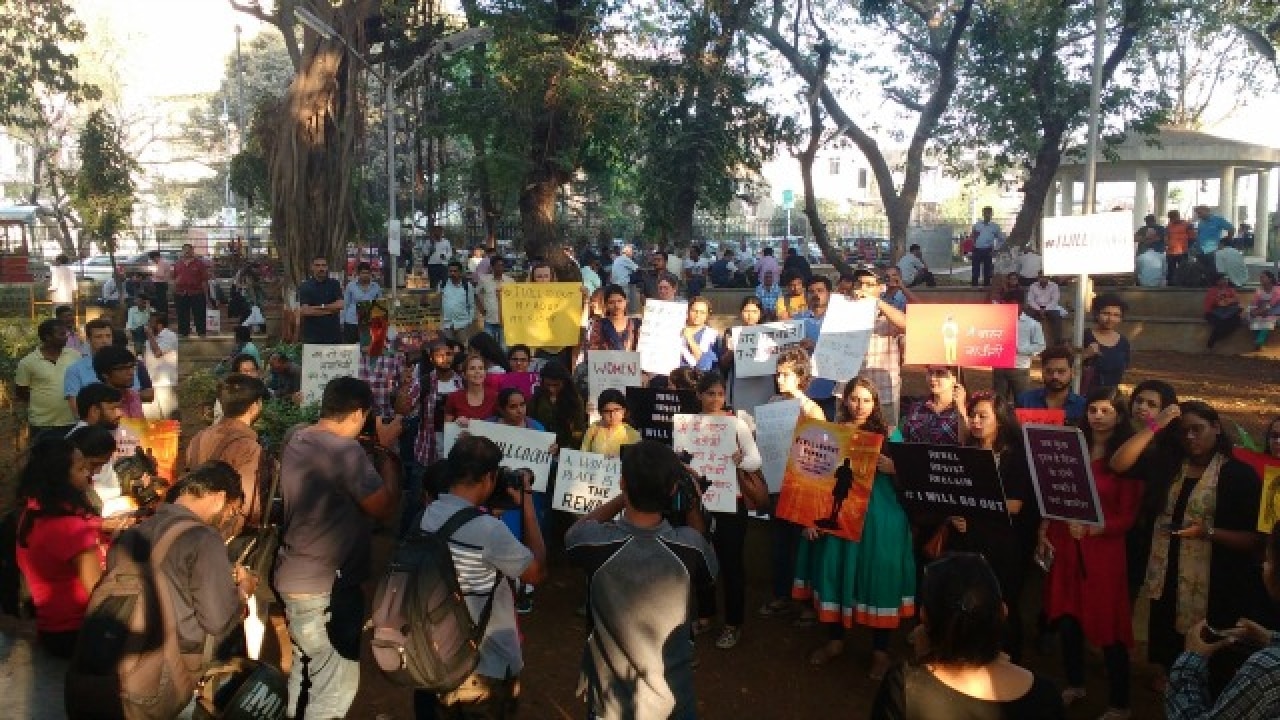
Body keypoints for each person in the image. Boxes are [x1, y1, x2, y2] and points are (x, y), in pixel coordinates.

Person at [275, 376, 402, 718]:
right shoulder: (345, 451)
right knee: (333, 688)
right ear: (360, 413)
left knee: (304, 674)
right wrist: (388, 452)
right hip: (329, 588)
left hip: (295, 579)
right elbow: (383, 507)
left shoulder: (296, 437)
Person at [565, 439, 717, 720]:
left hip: (610, 704)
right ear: (673, 490)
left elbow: (573, 534)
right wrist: (692, 503)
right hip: (672, 702)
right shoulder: (688, 547)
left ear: (622, 483)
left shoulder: (595, 543)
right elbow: (707, 562)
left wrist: (624, 496)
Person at [94, 461, 254, 713]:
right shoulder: (203, 538)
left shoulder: (132, 531)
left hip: (118, 656)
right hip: (170, 668)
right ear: (220, 498)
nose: (227, 520)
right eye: (231, 512)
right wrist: (243, 590)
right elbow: (217, 620)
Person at [412, 435, 546, 718]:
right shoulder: (490, 532)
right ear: (489, 477)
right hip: (484, 667)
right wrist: (528, 505)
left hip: (438, 656)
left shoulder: (428, 515)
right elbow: (536, 573)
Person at [1142, 401, 1266, 691]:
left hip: (1217, 580)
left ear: (1217, 427)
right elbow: (1129, 456)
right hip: (1168, 573)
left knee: (1212, 655)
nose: (1189, 438)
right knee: (1168, 633)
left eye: (1197, 429)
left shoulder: (1238, 475)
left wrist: (1207, 532)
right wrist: (1155, 424)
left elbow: (1255, 540)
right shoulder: (1170, 468)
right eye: (1183, 432)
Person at [796, 378, 916, 678]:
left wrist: (896, 468)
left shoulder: (891, 434)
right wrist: (810, 515)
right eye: (853, 399)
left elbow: (915, 480)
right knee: (833, 572)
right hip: (839, 515)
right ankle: (835, 642)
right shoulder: (831, 434)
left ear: (875, 403)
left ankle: (880, 652)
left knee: (879, 579)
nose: (859, 405)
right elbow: (813, 476)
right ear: (844, 401)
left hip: (880, 519)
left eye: (865, 399)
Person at [1040, 386, 1141, 719]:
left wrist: (1098, 528)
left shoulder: (1125, 460)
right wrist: (1045, 528)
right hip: (1067, 544)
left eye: (1106, 410)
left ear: (1119, 416)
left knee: (1109, 627)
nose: (1098, 416)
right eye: (1093, 410)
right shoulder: (1069, 449)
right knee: (1068, 620)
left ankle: (1121, 703)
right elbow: (1053, 491)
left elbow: (1128, 516)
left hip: (1103, 554)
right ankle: (1075, 683)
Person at [869, 553, 1066, 720]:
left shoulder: (903, 687)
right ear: (1003, 612)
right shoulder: (1046, 696)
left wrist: (923, 658)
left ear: (923, 616)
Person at [945, 393, 1037, 663]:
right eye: (972, 415)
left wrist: (972, 503)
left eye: (983, 416)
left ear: (1000, 420)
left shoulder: (1016, 457)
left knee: (1002, 603)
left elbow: (1016, 505)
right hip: (965, 540)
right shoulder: (964, 451)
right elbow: (953, 494)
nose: (975, 421)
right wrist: (955, 514)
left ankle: (1008, 662)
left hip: (1003, 545)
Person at [689, 372, 762, 651]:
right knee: (701, 559)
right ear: (700, 395)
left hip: (732, 502)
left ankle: (733, 624)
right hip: (700, 502)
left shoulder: (736, 424)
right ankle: (706, 615)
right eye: (710, 393)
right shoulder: (689, 425)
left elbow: (755, 460)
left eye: (720, 394)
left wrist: (741, 460)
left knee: (731, 563)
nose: (716, 399)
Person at [13, 436, 100, 657]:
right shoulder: (70, 528)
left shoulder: (32, 512)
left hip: (50, 626)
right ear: (61, 477)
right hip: (77, 631)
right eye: (80, 469)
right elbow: (98, 592)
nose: (87, 474)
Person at [186, 374, 268, 523]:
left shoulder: (198, 438)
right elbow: (248, 508)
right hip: (224, 533)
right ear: (254, 406)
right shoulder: (248, 447)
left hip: (192, 523)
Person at [16, 318, 81, 440]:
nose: (66, 337)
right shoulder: (27, 362)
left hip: (72, 421)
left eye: (66, 333)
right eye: (61, 334)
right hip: (42, 424)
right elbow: (21, 392)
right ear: (47, 337)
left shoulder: (74, 356)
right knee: (43, 458)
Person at [992, 288, 1045, 405]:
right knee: (999, 403)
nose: (1010, 309)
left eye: (1013, 305)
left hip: (1020, 367)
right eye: (1007, 305)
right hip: (999, 366)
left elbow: (1041, 346)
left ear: (1022, 305)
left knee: (1022, 402)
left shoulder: (1033, 324)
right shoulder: (997, 321)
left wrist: (1019, 349)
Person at [901, 365, 969, 446]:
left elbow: (968, 442)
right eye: (930, 372)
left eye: (940, 373)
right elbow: (904, 440)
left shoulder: (968, 409)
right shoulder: (916, 407)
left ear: (954, 378)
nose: (932, 378)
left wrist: (960, 407)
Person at [1015, 344, 1086, 423]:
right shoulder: (1025, 401)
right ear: (1042, 372)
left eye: (1061, 371)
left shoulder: (1082, 406)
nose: (1055, 376)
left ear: (1072, 372)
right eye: (1049, 371)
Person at [1081, 293, 1131, 394]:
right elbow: (1065, 365)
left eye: (1116, 315)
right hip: (1084, 397)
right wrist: (1084, 355)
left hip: (1110, 398)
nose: (1110, 319)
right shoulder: (1083, 336)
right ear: (1096, 314)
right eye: (1106, 313)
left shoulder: (1123, 342)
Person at [297, 255, 344, 344]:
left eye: (323, 265)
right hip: (313, 336)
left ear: (327, 267)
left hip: (333, 334)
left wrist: (316, 308)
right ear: (312, 267)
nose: (321, 268)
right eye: (317, 265)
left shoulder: (335, 284)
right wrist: (331, 310)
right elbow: (305, 311)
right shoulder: (305, 286)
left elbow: (340, 305)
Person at [581, 388, 641, 457]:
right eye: (607, 411)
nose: (612, 415)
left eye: (616, 410)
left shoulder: (632, 434)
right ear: (600, 412)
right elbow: (583, 454)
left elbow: (637, 462)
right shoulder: (594, 429)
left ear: (624, 410)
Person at [142, 311, 180, 420]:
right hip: (150, 383)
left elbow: (157, 353)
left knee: (170, 417)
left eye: (150, 322)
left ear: (159, 325)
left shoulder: (170, 336)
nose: (148, 325)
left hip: (165, 383)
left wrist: (149, 335)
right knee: (152, 419)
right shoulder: (150, 339)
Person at [444, 353, 499, 424]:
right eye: (472, 368)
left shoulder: (495, 396)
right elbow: (447, 426)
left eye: (481, 368)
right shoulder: (453, 397)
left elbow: (503, 423)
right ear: (464, 375)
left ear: (485, 373)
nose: (477, 372)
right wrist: (456, 423)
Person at [173, 243, 213, 338]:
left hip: (197, 293)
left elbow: (204, 281)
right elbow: (173, 279)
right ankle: (183, 333)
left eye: (188, 250)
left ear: (192, 251)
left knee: (199, 314)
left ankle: (201, 333)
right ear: (182, 252)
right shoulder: (177, 264)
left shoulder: (200, 264)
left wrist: (207, 297)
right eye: (184, 250)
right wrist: (174, 290)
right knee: (182, 315)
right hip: (181, 293)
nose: (187, 252)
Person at [587, 284, 641, 353]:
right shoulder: (599, 324)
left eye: (619, 301)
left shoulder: (636, 324)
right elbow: (593, 350)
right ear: (606, 305)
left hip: (632, 363)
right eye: (611, 302)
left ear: (626, 301)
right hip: (606, 363)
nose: (616, 306)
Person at [475, 255, 512, 347]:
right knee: (489, 347)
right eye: (498, 265)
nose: (500, 268)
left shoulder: (510, 281)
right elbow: (476, 294)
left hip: (505, 321)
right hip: (489, 320)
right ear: (492, 267)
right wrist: (481, 309)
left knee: (504, 348)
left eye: (502, 265)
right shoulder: (484, 280)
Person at [342, 261, 382, 344]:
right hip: (352, 321)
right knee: (351, 348)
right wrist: (342, 321)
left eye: (367, 273)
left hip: (368, 323)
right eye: (363, 273)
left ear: (370, 274)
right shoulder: (351, 286)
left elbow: (379, 305)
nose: (365, 275)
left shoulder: (376, 287)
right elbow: (345, 304)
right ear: (358, 273)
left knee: (367, 347)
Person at [1203, 272, 1243, 349]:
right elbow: (1211, 304)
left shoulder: (1230, 290)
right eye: (1223, 279)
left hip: (1227, 312)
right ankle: (1212, 340)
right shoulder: (1212, 290)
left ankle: (1215, 338)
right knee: (1220, 324)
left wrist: (1228, 301)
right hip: (1213, 313)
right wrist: (1220, 300)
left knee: (1237, 320)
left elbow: (1237, 300)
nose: (1225, 281)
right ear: (1217, 281)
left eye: (1226, 279)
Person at [680, 297, 720, 372]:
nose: (697, 315)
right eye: (694, 311)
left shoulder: (712, 335)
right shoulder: (677, 330)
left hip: (698, 378)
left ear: (707, 315)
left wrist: (690, 339)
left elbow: (706, 365)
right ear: (688, 311)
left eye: (702, 312)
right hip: (674, 377)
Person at [441, 261, 477, 341]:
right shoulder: (443, 285)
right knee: (449, 350)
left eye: (455, 271)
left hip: (462, 325)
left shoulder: (467, 286)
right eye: (450, 271)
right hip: (447, 325)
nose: (452, 273)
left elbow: (471, 306)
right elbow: (439, 303)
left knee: (464, 349)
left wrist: (469, 321)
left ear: (460, 272)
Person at [970, 206, 1005, 287]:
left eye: (989, 213)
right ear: (983, 214)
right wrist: (972, 248)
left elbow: (1001, 239)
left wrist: (996, 249)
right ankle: (974, 287)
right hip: (977, 249)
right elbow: (973, 237)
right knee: (975, 270)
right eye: (985, 213)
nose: (987, 215)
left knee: (987, 270)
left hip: (988, 250)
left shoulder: (995, 226)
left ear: (992, 214)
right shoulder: (977, 225)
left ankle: (986, 287)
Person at [1248, 270, 1280, 351]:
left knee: (1268, 321)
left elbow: (1271, 304)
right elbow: (1254, 303)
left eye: (1263, 277)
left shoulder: (1277, 290)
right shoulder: (1259, 291)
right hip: (1262, 310)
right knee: (1253, 319)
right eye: (1260, 277)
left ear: (1270, 279)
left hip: (1275, 311)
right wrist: (1252, 311)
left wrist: (1258, 312)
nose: (1260, 279)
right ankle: (1258, 342)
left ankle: (1259, 341)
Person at [1165, 210, 1194, 285]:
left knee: (1183, 269)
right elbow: (1167, 236)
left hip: (1183, 251)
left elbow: (1192, 237)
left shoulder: (1187, 225)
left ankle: (1183, 284)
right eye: (1170, 218)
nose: (1171, 220)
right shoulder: (1169, 225)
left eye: (1173, 218)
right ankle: (1171, 285)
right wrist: (1167, 243)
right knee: (1171, 270)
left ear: (1178, 216)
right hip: (1171, 252)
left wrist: (1188, 248)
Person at [425, 225, 453, 289]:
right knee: (433, 284)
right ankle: (434, 298)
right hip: (432, 265)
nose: (437, 233)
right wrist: (430, 250)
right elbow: (425, 253)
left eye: (439, 231)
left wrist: (445, 256)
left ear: (441, 232)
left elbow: (450, 253)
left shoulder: (446, 241)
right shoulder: (428, 242)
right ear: (433, 232)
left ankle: (444, 297)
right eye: (435, 231)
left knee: (444, 283)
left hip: (443, 265)